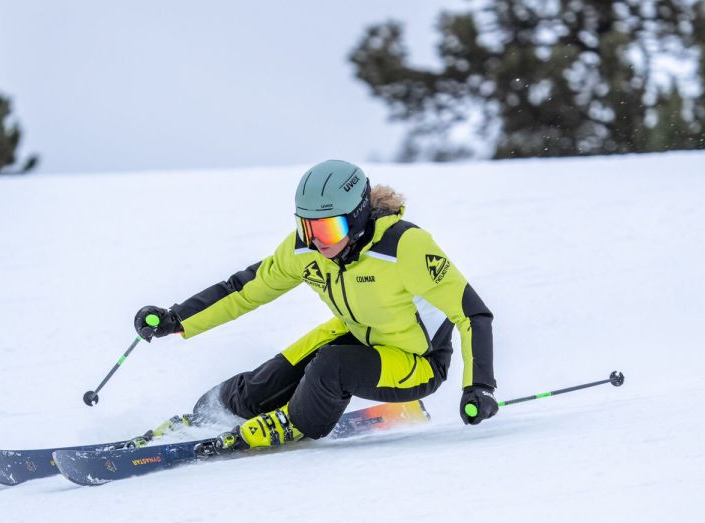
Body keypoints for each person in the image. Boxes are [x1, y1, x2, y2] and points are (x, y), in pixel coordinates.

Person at [132, 159, 498, 452]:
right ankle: (212, 414)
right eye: (307, 228)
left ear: (356, 218)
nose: (317, 242)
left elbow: (472, 313)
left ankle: (296, 422)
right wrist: (176, 318)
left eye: (328, 230)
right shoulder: (305, 249)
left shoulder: (404, 247)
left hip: (418, 361)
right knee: (265, 382)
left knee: (331, 367)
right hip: (358, 335)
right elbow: (245, 289)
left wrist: (478, 386)